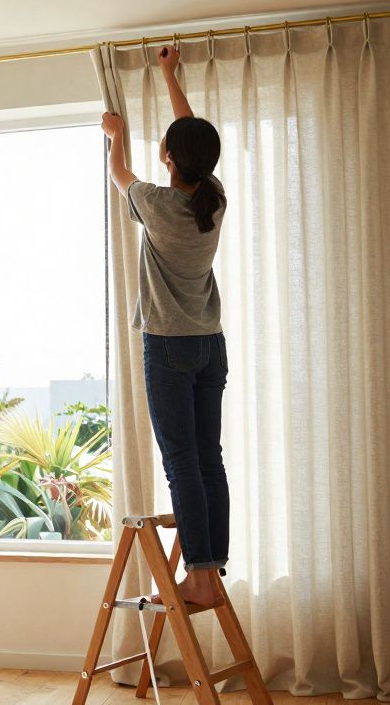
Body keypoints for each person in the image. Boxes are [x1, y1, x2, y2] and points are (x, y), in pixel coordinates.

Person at [100, 45, 229, 609]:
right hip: (209, 344)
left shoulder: (155, 204)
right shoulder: (212, 200)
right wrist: (169, 75)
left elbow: (117, 172)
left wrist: (115, 134)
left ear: (169, 158)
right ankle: (213, 567)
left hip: (169, 347)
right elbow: (188, 136)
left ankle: (198, 577)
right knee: (207, 458)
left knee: (181, 462)